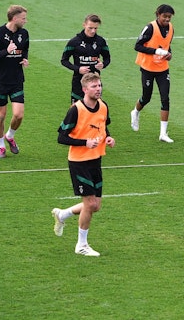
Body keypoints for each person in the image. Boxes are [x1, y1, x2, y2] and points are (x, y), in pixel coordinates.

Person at [51, 73, 115, 257]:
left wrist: (108, 137)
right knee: (89, 203)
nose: (98, 89)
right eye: (94, 86)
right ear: (85, 90)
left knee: (95, 206)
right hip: (79, 163)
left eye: (99, 85)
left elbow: (102, 125)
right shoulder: (76, 110)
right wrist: (84, 143)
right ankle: (81, 245)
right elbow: (61, 137)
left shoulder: (103, 106)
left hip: (96, 160)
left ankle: (63, 215)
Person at [0, 4, 29, 159]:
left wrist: (25, 59)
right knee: (2, 114)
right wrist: (6, 51)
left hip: (17, 79)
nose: (26, 21)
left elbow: (25, 49)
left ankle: (10, 136)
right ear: (15, 18)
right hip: (0, 81)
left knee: (18, 115)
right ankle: (1, 146)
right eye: (23, 18)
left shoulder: (24, 34)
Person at [130, 4, 175, 143]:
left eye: (169, 17)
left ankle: (163, 133)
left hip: (162, 68)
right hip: (148, 68)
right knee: (146, 97)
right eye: (164, 16)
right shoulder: (150, 28)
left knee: (165, 98)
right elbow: (137, 46)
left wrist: (169, 54)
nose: (167, 19)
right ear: (158, 15)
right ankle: (135, 112)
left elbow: (167, 46)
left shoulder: (171, 28)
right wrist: (155, 51)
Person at [60, 14, 111, 103]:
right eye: (90, 28)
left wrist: (102, 65)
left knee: (95, 111)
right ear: (84, 25)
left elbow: (107, 58)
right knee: (76, 111)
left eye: (95, 28)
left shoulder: (101, 41)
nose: (93, 31)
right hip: (78, 82)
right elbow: (64, 60)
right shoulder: (74, 42)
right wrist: (78, 69)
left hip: (95, 81)